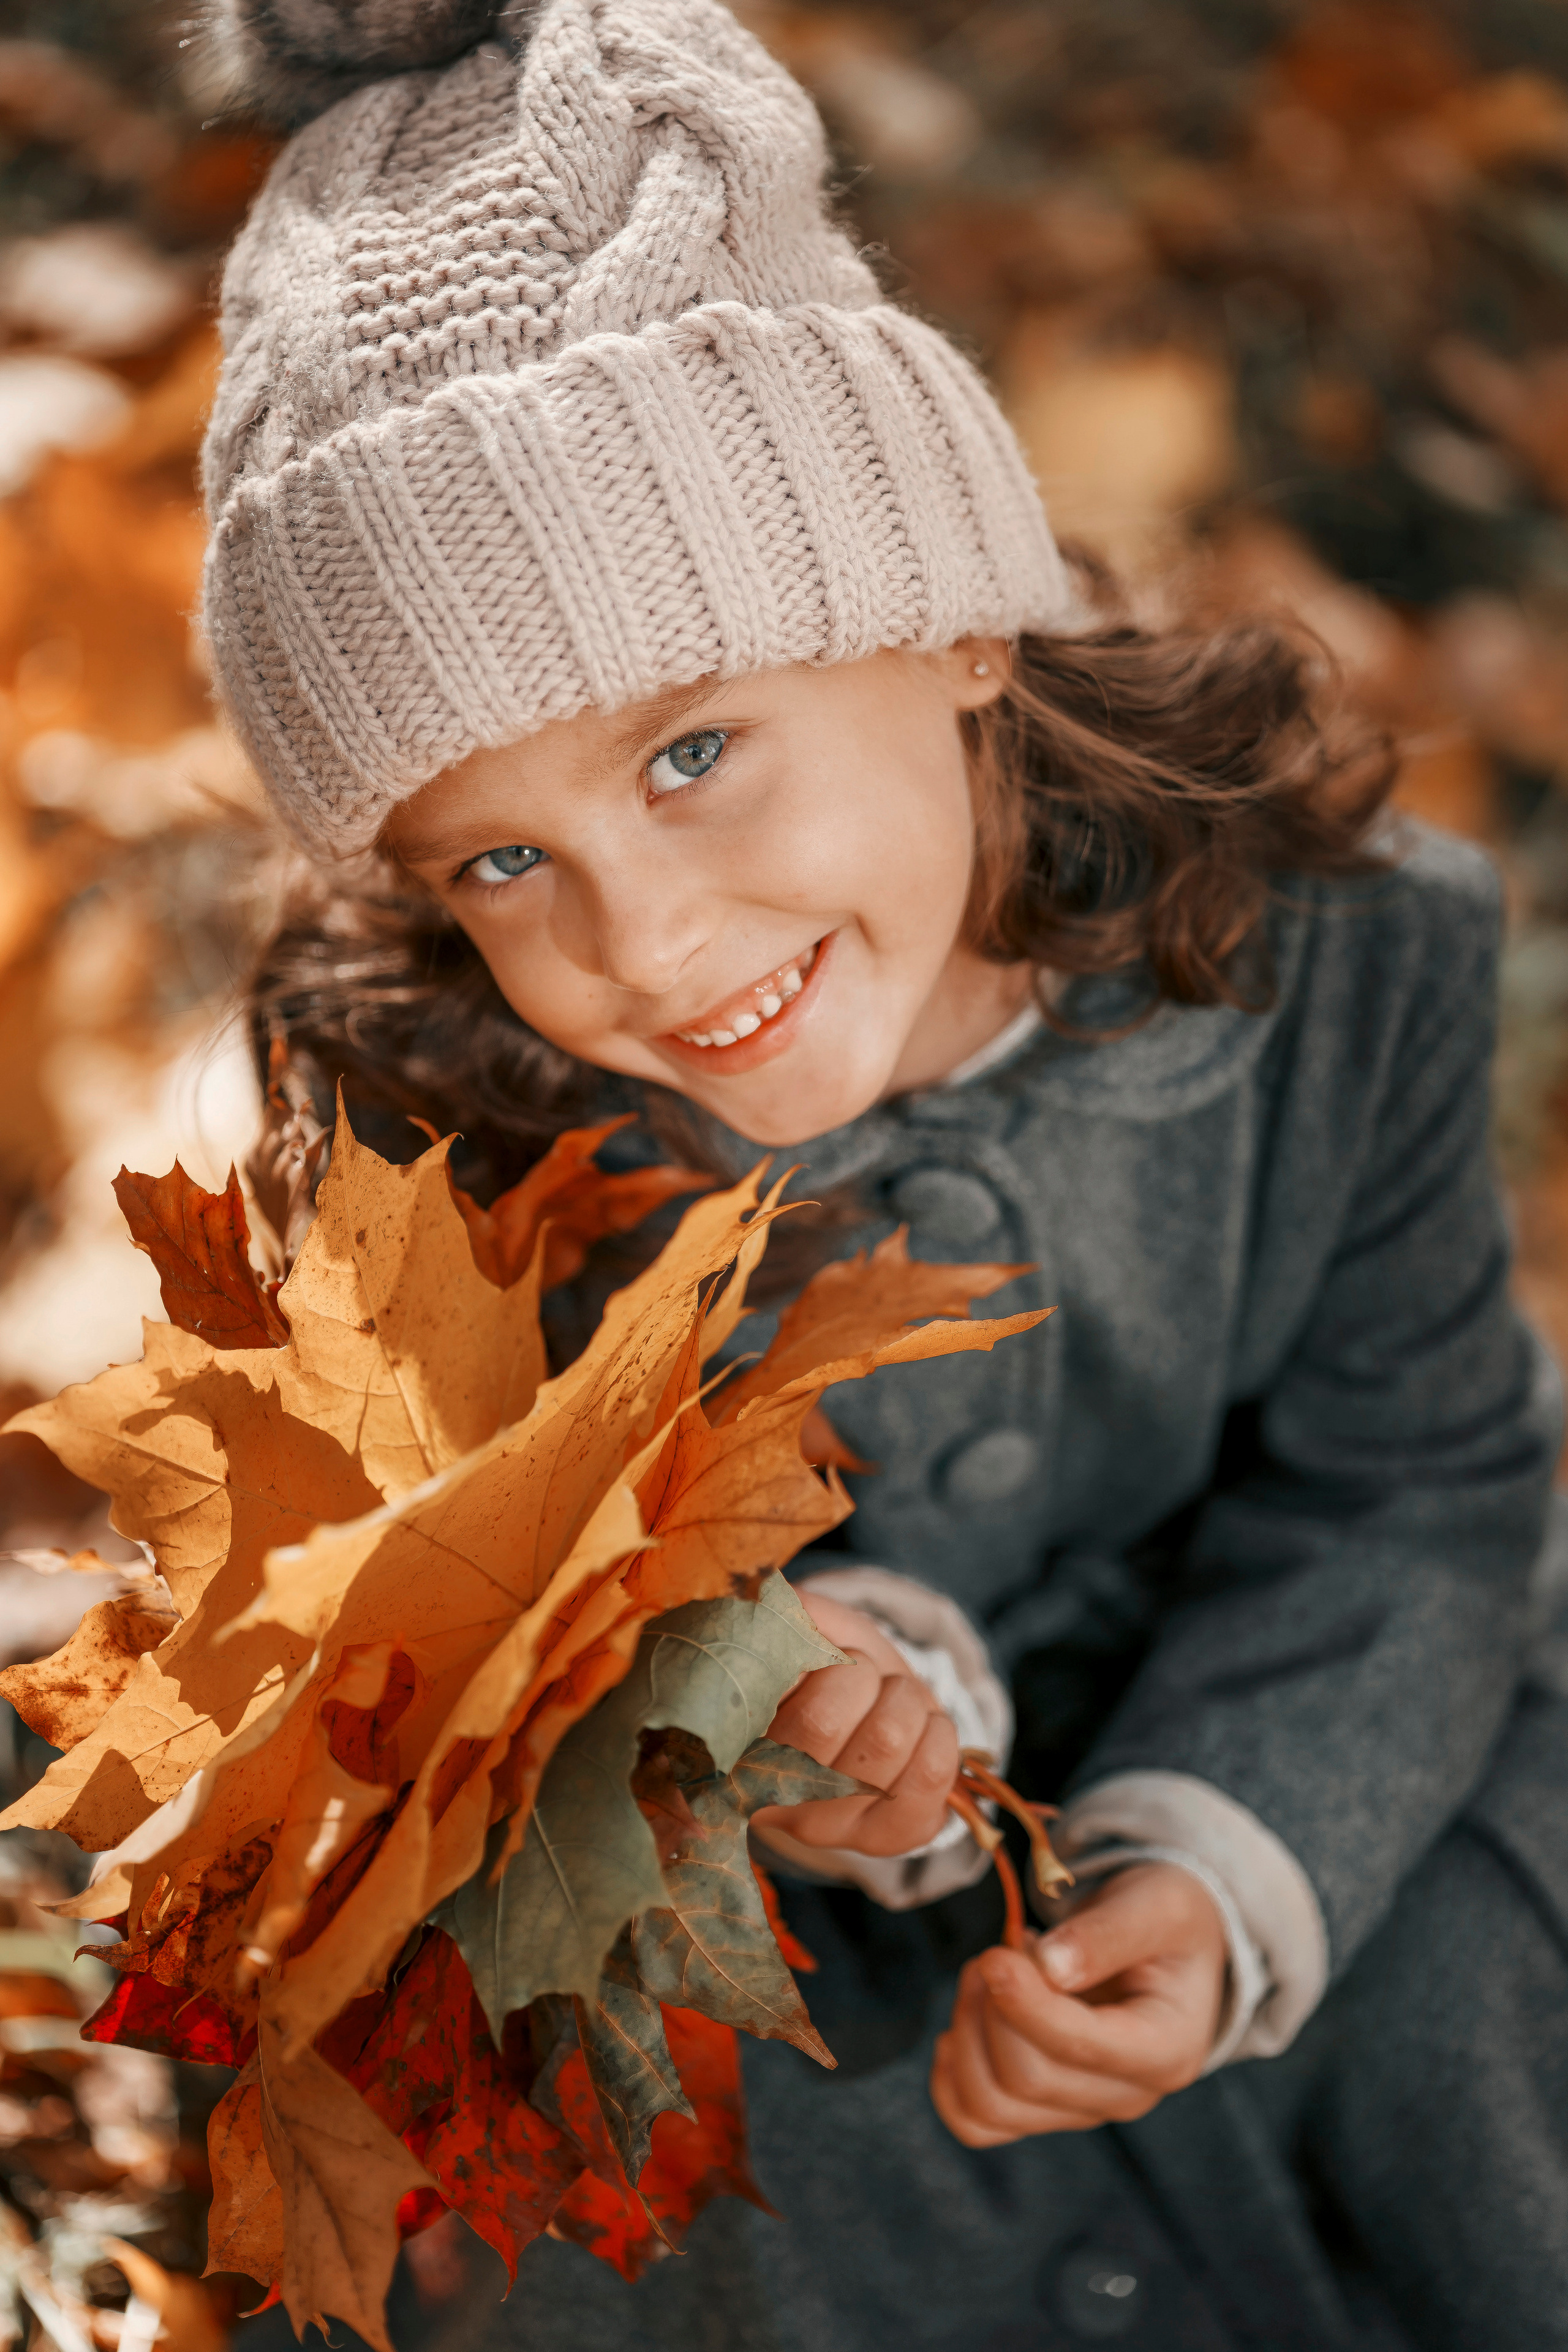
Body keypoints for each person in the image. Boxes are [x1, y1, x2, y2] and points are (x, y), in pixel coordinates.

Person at [210, 2, 1568, 2344]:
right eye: (503, 859)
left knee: (1471, 2015)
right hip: (790, 1918)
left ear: (948, 623)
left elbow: (1412, 1490)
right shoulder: (456, 1112)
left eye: (695, 752)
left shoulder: (1350, 969)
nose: (645, 944)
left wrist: (1226, 1862)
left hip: (1310, 1738)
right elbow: (466, 1574)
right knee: (683, 2174)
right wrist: (759, 1681)